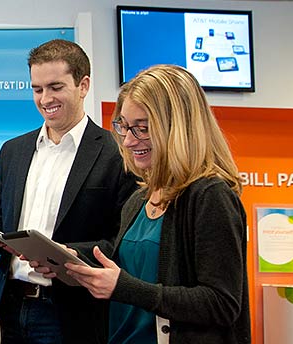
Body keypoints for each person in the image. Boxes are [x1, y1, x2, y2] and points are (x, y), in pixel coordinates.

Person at [47, 64, 250, 343]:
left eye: (142, 128)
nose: (129, 141)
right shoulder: (139, 200)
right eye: (125, 127)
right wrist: (67, 257)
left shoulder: (209, 197)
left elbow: (221, 304)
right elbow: (120, 270)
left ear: (178, 128)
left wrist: (125, 288)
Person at [0, 39, 137, 343]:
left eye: (55, 87)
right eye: (37, 89)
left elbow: (123, 243)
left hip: (72, 314)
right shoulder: (13, 151)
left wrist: (72, 255)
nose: (45, 99)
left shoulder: (117, 153)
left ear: (83, 85)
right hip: (8, 306)